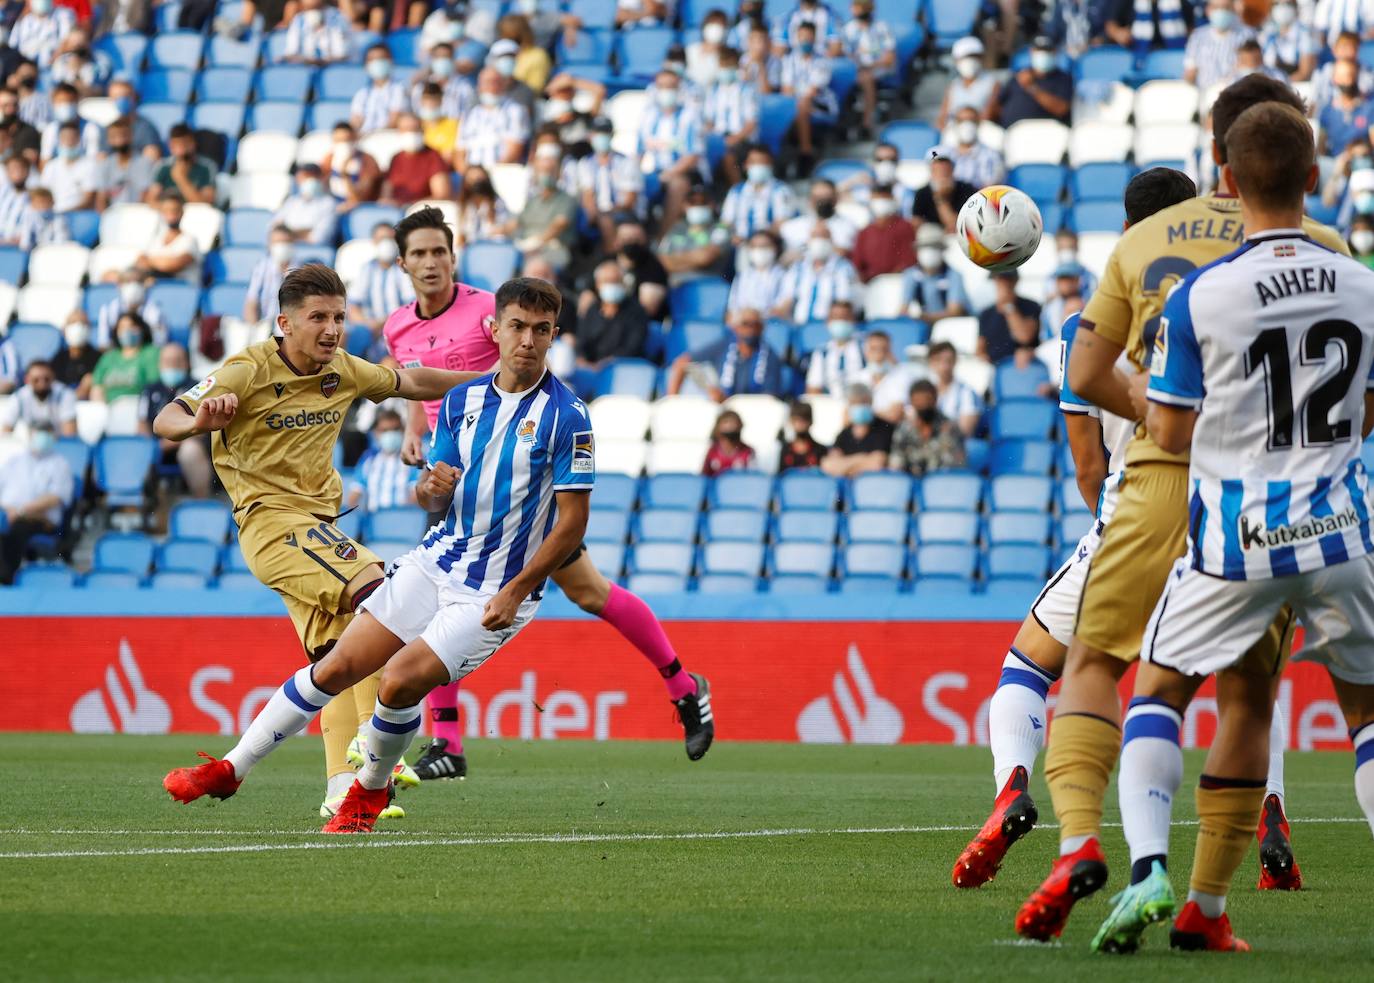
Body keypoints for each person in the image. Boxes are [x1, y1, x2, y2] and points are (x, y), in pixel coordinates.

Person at [1013, 75, 1343, 946]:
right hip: (1271, 493)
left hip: (1161, 478)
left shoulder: (1145, 241)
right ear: (1301, 163)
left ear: (1219, 157)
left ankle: (1081, 840)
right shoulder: (1332, 247)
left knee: (1095, 663)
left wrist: (1152, 409)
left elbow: (1083, 376)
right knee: (1246, 702)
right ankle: (1207, 905)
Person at [1097, 103, 1374, 956]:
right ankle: (1208, 910)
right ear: (1315, 180)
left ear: (1225, 179)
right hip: (1342, 538)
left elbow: (1172, 434)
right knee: (1367, 717)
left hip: (1236, 543)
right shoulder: (1363, 282)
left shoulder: (1201, 297)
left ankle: (1150, 867)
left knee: (1159, 692)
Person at [381, 210, 716, 777]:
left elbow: (501, 383)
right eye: (420, 254)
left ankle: (684, 686)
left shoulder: (495, 309)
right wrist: (419, 431)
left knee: (587, 593)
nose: (431, 263)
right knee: (439, 597)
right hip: (458, 479)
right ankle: (449, 744)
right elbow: (421, 392)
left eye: (440, 251)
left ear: (454, 257)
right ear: (403, 263)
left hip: (521, 483)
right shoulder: (397, 327)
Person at [949, 166, 1195, 895]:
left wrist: (1116, 526)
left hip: (1133, 512)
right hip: (1228, 516)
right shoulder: (1223, 300)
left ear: (1127, 229)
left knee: (1033, 663)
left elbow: (1087, 464)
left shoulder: (1085, 323)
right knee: (1244, 692)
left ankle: (1017, 791)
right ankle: (1256, 830)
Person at [155, 264, 475, 819]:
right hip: (275, 525)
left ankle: (339, 789)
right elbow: (167, 419)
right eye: (318, 318)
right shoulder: (246, 370)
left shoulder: (343, 370)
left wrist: (490, 386)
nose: (331, 329)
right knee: (383, 596)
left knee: (338, 659)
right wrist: (199, 420)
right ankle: (380, 742)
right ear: (284, 323)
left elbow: (411, 381)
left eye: (339, 317)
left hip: (318, 529)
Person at [0, 420, 72, 584]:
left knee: (18, 528)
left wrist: (21, 511)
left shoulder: (59, 464)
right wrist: (10, 510)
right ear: (29, 434)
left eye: (46, 432)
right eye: (38, 431)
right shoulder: (14, 461)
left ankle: (5, 579)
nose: (41, 436)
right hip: (8, 513)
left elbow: (56, 498)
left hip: (40, 520)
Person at [137, 342, 212, 498]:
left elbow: (199, 429)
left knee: (190, 450)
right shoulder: (150, 390)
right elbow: (142, 423)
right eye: (167, 361)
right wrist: (151, 448)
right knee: (136, 450)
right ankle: (133, 509)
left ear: (186, 363)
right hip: (156, 447)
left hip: (186, 444)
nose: (171, 365)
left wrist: (164, 445)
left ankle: (202, 502)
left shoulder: (199, 388)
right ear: (160, 364)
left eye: (176, 361)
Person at [637, 67, 706, 231]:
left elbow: (692, 157)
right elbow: (638, 153)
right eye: (662, 86)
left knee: (677, 184)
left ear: (679, 89)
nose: (666, 91)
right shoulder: (648, 116)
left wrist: (668, 175)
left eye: (671, 86)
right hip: (655, 172)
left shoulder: (690, 116)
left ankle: (663, 239)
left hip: (686, 173)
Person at [668, 307, 784, 400]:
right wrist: (709, 389)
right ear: (736, 328)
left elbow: (770, 397)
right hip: (723, 408)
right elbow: (682, 362)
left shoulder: (770, 356)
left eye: (756, 325)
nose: (751, 329)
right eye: (746, 324)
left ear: (762, 328)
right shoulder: (723, 346)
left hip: (755, 410)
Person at [779, 225, 859, 324]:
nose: (819, 240)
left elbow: (844, 303)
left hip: (828, 326)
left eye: (824, 236)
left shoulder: (844, 268)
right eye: (815, 236)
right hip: (799, 326)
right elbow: (786, 300)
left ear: (831, 241)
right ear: (809, 240)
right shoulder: (797, 268)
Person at [455, 67, 530, 170]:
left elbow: (515, 150)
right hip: (472, 176)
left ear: (503, 85)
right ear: (478, 86)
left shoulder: (516, 111)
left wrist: (491, 174)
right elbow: (460, 152)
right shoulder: (470, 114)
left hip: (501, 172)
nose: (490, 87)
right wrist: (468, 175)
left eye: (495, 82)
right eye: (486, 82)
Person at [576, 260, 647, 369]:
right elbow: (582, 342)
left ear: (623, 284)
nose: (611, 285)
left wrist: (607, 363)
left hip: (622, 367)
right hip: (590, 368)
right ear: (598, 285)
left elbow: (633, 347)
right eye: (607, 281)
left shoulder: (636, 311)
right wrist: (582, 360)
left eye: (616, 281)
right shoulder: (592, 310)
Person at [887, 379, 965, 477]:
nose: (923, 406)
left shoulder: (949, 428)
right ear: (911, 402)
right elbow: (896, 466)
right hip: (911, 486)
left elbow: (953, 468)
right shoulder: (904, 430)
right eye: (919, 402)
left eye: (927, 400)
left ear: (935, 399)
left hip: (941, 484)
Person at [989, 35, 1071, 128]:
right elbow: (997, 106)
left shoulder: (1063, 79)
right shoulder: (1019, 75)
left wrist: (1031, 87)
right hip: (1009, 131)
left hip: (1043, 133)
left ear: (1055, 52)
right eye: (1039, 50)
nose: (1042, 54)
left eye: (1047, 51)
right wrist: (994, 95)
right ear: (1031, 52)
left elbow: (1061, 109)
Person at [514, 152, 577, 271]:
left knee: (536, 267)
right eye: (542, 170)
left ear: (558, 174)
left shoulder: (567, 200)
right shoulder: (532, 201)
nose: (546, 174)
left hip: (554, 249)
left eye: (550, 170)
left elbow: (558, 226)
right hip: (525, 248)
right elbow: (516, 223)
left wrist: (535, 243)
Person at [349, 223, 414, 339]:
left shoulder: (405, 270)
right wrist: (367, 324)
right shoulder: (366, 269)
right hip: (368, 329)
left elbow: (411, 307)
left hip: (397, 328)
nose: (386, 243)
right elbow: (353, 306)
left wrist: (383, 323)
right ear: (374, 241)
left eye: (390, 239)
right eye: (382, 239)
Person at [720, 144, 795, 243]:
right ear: (745, 165)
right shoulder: (736, 191)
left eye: (762, 162)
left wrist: (756, 240)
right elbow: (726, 221)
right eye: (753, 162)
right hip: (739, 243)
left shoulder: (781, 190)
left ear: (770, 164)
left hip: (769, 243)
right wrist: (728, 235)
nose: (758, 166)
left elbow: (782, 222)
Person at [346, 409, 418, 512]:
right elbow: (354, 496)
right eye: (385, 430)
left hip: (404, 522)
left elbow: (416, 497)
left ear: (403, 431)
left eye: (395, 429)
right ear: (376, 433)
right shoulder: (368, 460)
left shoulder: (412, 460)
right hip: (373, 524)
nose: (390, 434)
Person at [657, 185, 732, 281]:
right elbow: (663, 262)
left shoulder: (721, 229)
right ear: (684, 205)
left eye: (703, 202)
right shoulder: (676, 228)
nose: (698, 205)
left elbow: (705, 257)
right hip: (678, 285)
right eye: (693, 202)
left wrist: (675, 259)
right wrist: (694, 258)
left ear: (712, 204)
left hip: (709, 283)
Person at [821, 383, 891, 477]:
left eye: (862, 402)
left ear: (870, 402)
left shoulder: (884, 428)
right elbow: (828, 465)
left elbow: (877, 463)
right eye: (854, 403)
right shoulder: (844, 433)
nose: (858, 406)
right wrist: (862, 459)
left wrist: (844, 467)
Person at [903, 224, 968, 322]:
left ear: (942, 251)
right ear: (918, 251)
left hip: (948, 326)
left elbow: (955, 312)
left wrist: (926, 318)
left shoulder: (954, 276)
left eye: (934, 247)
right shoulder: (911, 275)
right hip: (924, 326)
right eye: (924, 247)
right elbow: (903, 309)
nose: (929, 252)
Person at [1184, 0, 1255, 90]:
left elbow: (1252, 67)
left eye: (1225, 7)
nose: (1221, 11)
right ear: (1208, 10)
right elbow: (1190, 73)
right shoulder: (1197, 37)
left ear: (1233, 9)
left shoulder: (1246, 35)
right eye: (1216, 7)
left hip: (1237, 94)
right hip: (1206, 95)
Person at [381, 113, 451, 204]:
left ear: (422, 131)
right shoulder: (396, 158)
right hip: (395, 212)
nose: (410, 133)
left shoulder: (433, 157)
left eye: (414, 129)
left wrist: (409, 205)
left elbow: (441, 195)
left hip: (421, 212)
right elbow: (386, 192)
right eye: (405, 129)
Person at [780, 178, 855, 261]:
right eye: (818, 198)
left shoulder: (849, 227)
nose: (822, 202)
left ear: (836, 199)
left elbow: (845, 253)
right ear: (810, 200)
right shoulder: (791, 227)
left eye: (827, 198)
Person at [851, 184, 915, 282]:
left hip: (897, 281)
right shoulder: (865, 232)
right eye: (876, 199)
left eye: (884, 198)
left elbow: (909, 260)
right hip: (870, 284)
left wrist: (889, 278)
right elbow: (858, 263)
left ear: (892, 200)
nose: (880, 202)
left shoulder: (905, 227)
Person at [91, 313, 158, 402]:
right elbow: (97, 388)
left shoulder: (151, 353)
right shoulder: (108, 357)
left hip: (138, 408)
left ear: (142, 329)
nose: (127, 330)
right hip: (109, 410)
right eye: (122, 327)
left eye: (132, 326)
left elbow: (154, 386)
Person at [804, 299, 865, 398]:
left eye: (844, 317)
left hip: (860, 401)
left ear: (853, 320)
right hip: (831, 405)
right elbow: (813, 387)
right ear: (828, 322)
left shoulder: (865, 347)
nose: (840, 321)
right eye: (836, 317)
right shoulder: (822, 352)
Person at [978, 270, 1041, 365]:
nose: (1004, 284)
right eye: (1000, 279)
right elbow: (980, 348)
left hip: (1025, 366)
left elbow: (1024, 337)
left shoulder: (1031, 306)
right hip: (996, 367)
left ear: (1015, 281)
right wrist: (985, 360)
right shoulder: (986, 313)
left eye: (1008, 280)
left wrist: (1009, 307)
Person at [145, 124, 216, 205]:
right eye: (177, 145)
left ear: (193, 142)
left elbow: (205, 204)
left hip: (196, 213)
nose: (182, 150)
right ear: (170, 146)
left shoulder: (207, 167)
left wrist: (181, 178)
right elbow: (150, 200)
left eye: (185, 144)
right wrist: (169, 209)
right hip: (167, 213)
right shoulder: (163, 166)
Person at [0, 359, 75, 435]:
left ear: (53, 377)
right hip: (30, 443)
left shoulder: (64, 395)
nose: (42, 383)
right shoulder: (18, 398)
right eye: (36, 380)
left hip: (60, 443)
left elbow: (69, 434)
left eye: (46, 379)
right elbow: (6, 431)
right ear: (27, 380)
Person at [94, 116, 155, 207]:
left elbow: (146, 194)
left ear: (131, 136)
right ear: (108, 140)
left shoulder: (145, 163)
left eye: (123, 135)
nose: (119, 140)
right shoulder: (105, 165)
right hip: (113, 215)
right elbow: (101, 198)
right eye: (114, 136)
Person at [939, 36, 997, 131]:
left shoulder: (992, 83)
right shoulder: (953, 85)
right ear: (956, 60)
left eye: (974, 57)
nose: (970, 61)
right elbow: (942, 118)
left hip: (981, 131)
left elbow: (988, 115)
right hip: (954, 132)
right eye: (965, 57)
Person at [96, 270, 165, 349]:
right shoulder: (108, 309)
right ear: (119, 285)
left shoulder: (156, 310)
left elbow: (160, 343)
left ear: (145, 285)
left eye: (138, 282)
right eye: (128, 281)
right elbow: (103, 343)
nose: (133, 285)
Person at [926, 341, 982, 438]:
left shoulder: (966, 392)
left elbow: (966, 430)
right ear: (931, 362)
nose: (944, 366)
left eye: (949, 360)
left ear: (955, 361)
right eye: (938, 360)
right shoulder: (924, 390)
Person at [272, 163, 338, 245]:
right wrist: (304, 232)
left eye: (310, 177)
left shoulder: (329, 204)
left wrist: (288, 234)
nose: (306, 181)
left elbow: (319, 238)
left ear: (320, 179)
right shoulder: (291, 202)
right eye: (302, 178)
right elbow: (274, 231)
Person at [727, 229, 789, 315]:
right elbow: (732, 306)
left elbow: (782, 307)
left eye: (764, 246)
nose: (759, 250)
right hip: (743, 323)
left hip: (770, 323)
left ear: (775, 248)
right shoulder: (743, 275)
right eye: (754, 246)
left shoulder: (784, 275)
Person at [322, 122, 382, 210]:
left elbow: (361, 196)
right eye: (338, 140)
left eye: (346, 140)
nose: (342, 144)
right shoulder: (329, 159)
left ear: (354, 139)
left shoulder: (367, 160)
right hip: (334, 207)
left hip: (360, 208)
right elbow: (323, 187)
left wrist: (345, 176)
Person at [243, 226, 296, 327]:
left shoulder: (301, 270)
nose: (281, 246)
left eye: (285, 242)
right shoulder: (261, 268)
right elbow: (251, 302)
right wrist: (254, 329)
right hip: (265, 325)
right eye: (277, 242)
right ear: (270, 244)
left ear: (292, 243)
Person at [940, 106, 1004, 189]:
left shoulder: (993, 156)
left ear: (979, 123)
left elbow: (991, 188)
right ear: (955, 124)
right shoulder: (943, 153)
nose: (966, 125)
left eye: (971, 120)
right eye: (961, 121)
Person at [351, 43, 406, 136]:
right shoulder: (361, 93)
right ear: (366, 65)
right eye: (372, 60)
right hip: (364, 139)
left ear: (391, 61)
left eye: (381, 58)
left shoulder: (400, 88)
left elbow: (394, 120)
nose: (377, 62)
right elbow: (355, 121)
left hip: (389, 138)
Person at [913, 154, 976, 234]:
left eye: (945, 171)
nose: (942, 175)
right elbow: (917, 222)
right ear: (932, 173)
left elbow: (957, 226)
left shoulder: (966, 189)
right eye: (938, 172)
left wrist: (942, 199)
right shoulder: (922, 193)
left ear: (952, 171)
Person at [454, 163, 510, 246]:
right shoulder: (463, 206)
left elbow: (502, 230)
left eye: (479, 179)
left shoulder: (497, 204)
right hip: (470, 250)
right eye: (471, 179)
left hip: (492, 247)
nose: (476, 183)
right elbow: (461, 237)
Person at [282, 0, 351, 65]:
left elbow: (342, 55)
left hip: (335, 72)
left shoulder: (337, 17)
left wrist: (320, 62)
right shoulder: (299, 19)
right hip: (306, 71)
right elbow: (291, 52)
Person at [54, 313, 98, 398]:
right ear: (64, 330)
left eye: (83, 323)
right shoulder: (58, 360)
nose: (78, 327)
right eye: (73, 323)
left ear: (90, 329)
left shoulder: (100, 359)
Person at [703, 409, 755, 476]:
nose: (730, 426)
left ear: (740, 425)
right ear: (718, 426)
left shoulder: (747, 451)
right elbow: (704, 476)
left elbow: (752, 477)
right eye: (726, 422)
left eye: (733, 422)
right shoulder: (713, 451)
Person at [780, 400, 826, 471]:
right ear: (791, 422)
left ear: (811, 422)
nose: (800, 424)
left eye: (803, 420)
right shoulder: (785, 450)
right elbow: (780, 476)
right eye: (796, 420)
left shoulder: (820, 450)